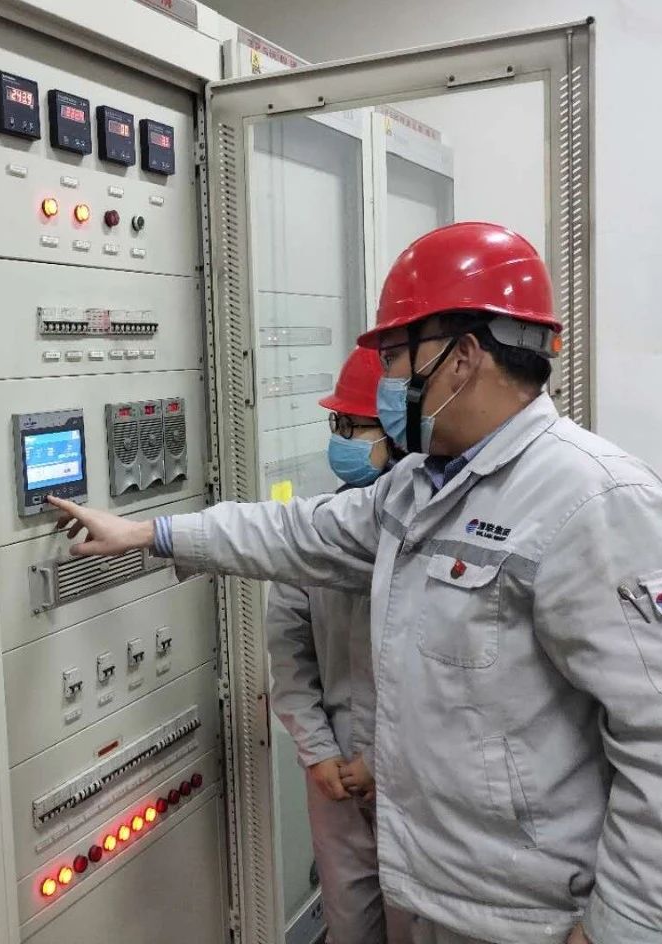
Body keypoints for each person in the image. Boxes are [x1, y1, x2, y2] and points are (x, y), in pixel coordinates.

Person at [49, 222, 662, 944]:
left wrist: (620, 931)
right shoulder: (420, 486)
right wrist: (152, 533)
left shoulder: (591, 500)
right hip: (452, 902)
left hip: (543, 920)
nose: (386, 384)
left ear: (462, 357)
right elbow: (297, 531)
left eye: (392, 358)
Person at [267, 345, 409, 944]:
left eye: (354, 427)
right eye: (338, 425)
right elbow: (288, 651)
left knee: (415, 926)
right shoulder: (318, 527)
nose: (342, 440)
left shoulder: (427, 532)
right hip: (334, 776)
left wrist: (380, 759)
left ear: (397, 436)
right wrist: (318, 751)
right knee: (349, 922)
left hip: (410, 774)